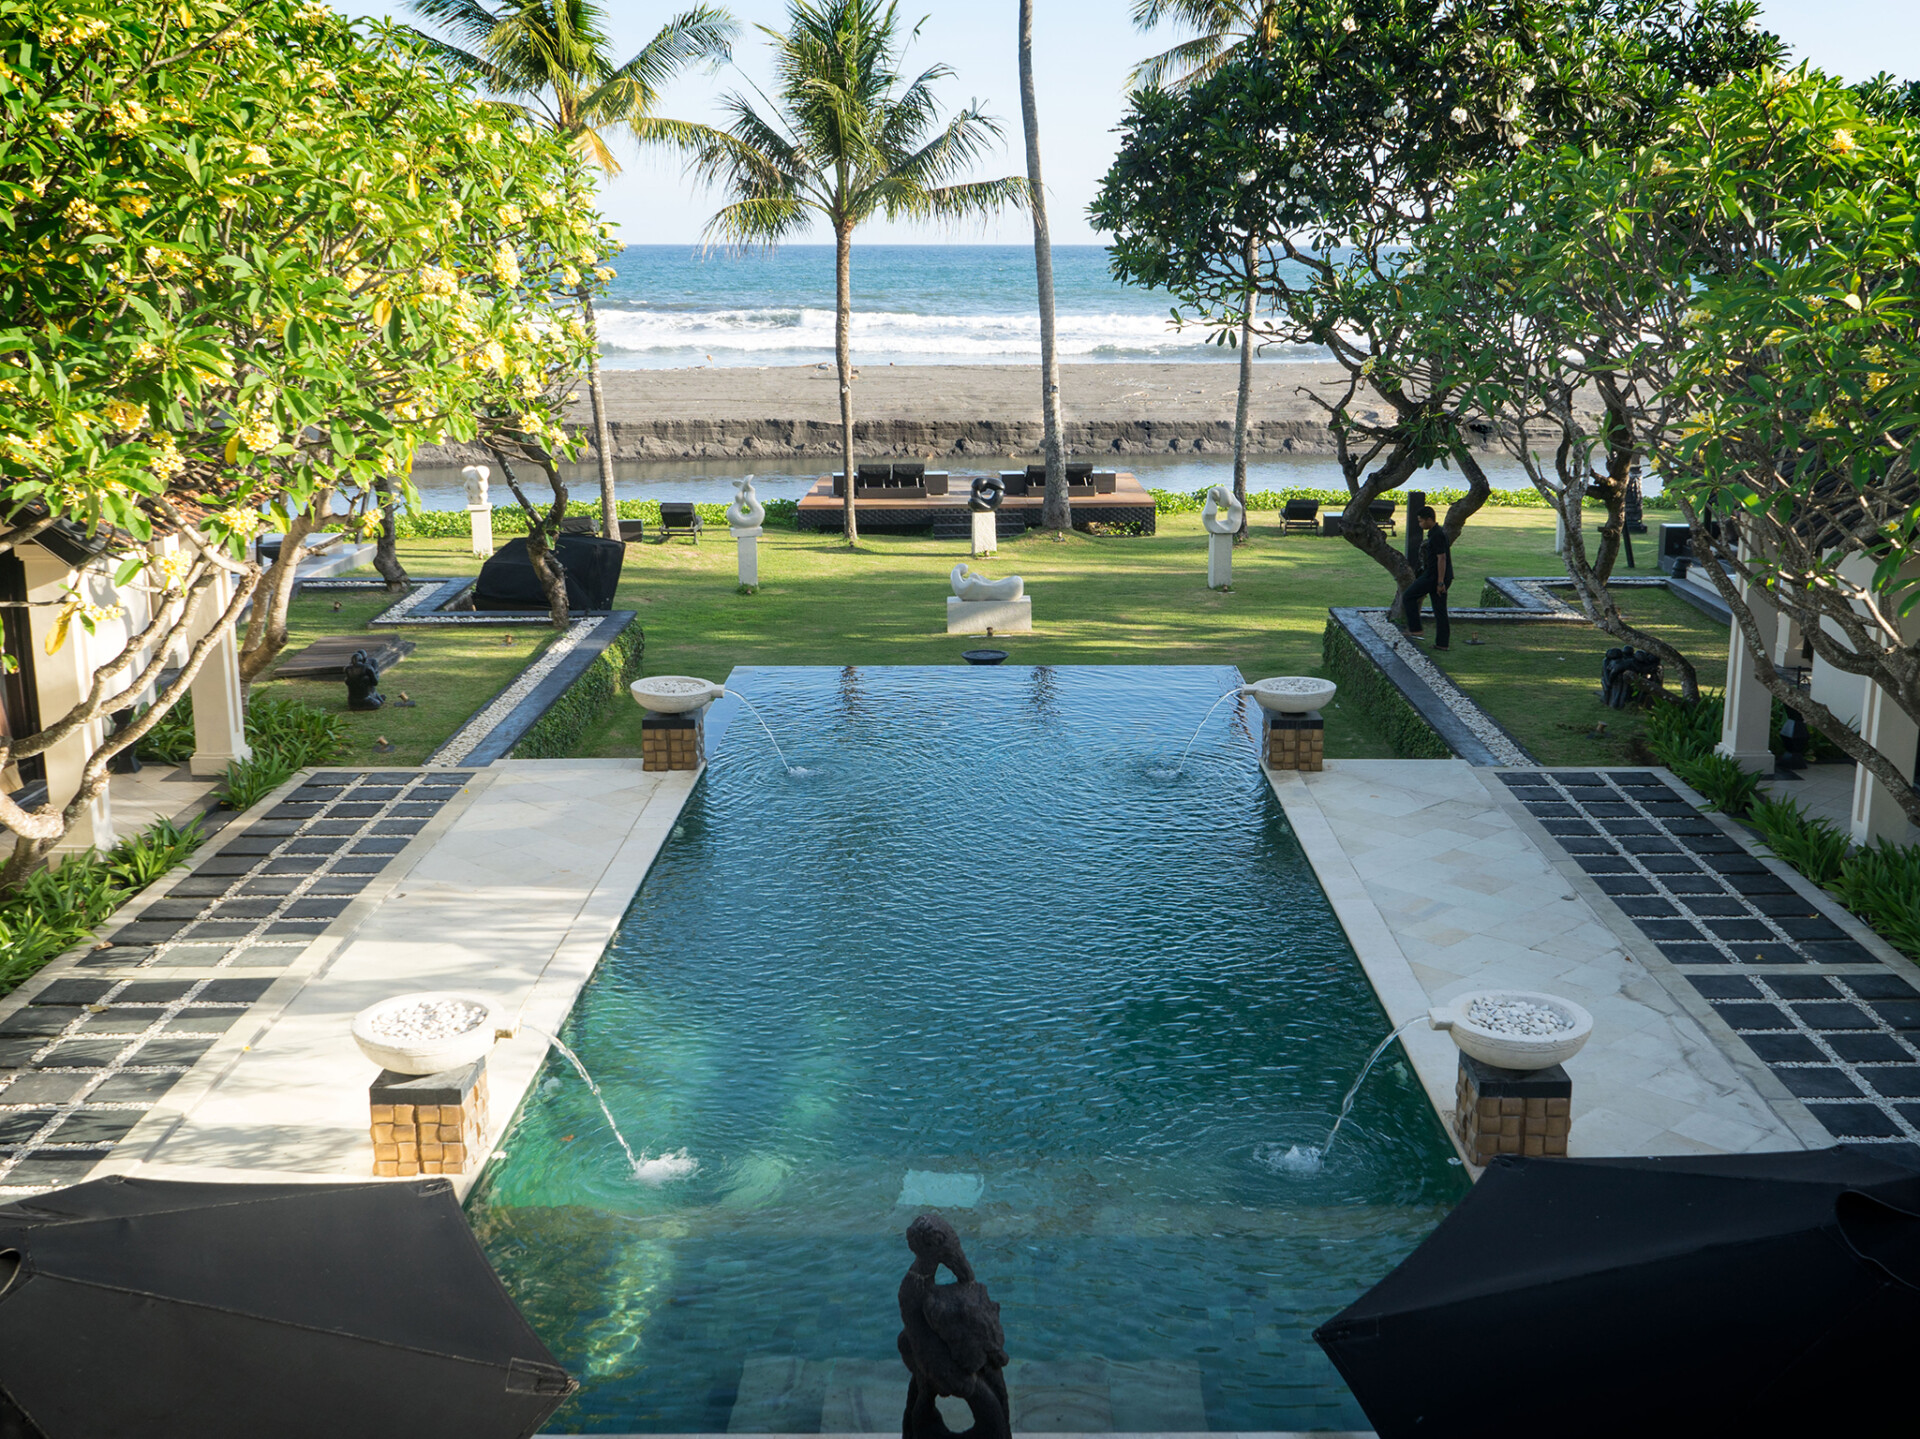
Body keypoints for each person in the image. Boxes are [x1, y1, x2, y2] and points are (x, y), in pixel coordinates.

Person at [1401, 505, 1453, 650]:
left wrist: (1440, 582)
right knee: (1440, 610)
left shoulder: (1437, 535)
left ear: (1429, 519)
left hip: (1434, 577)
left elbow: (1442, 558)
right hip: (1437, 576)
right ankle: (1442, 644)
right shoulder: (1436, 533)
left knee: (1408, 596)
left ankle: (1416, 629)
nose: (1420, 524)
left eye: (1421, 521)